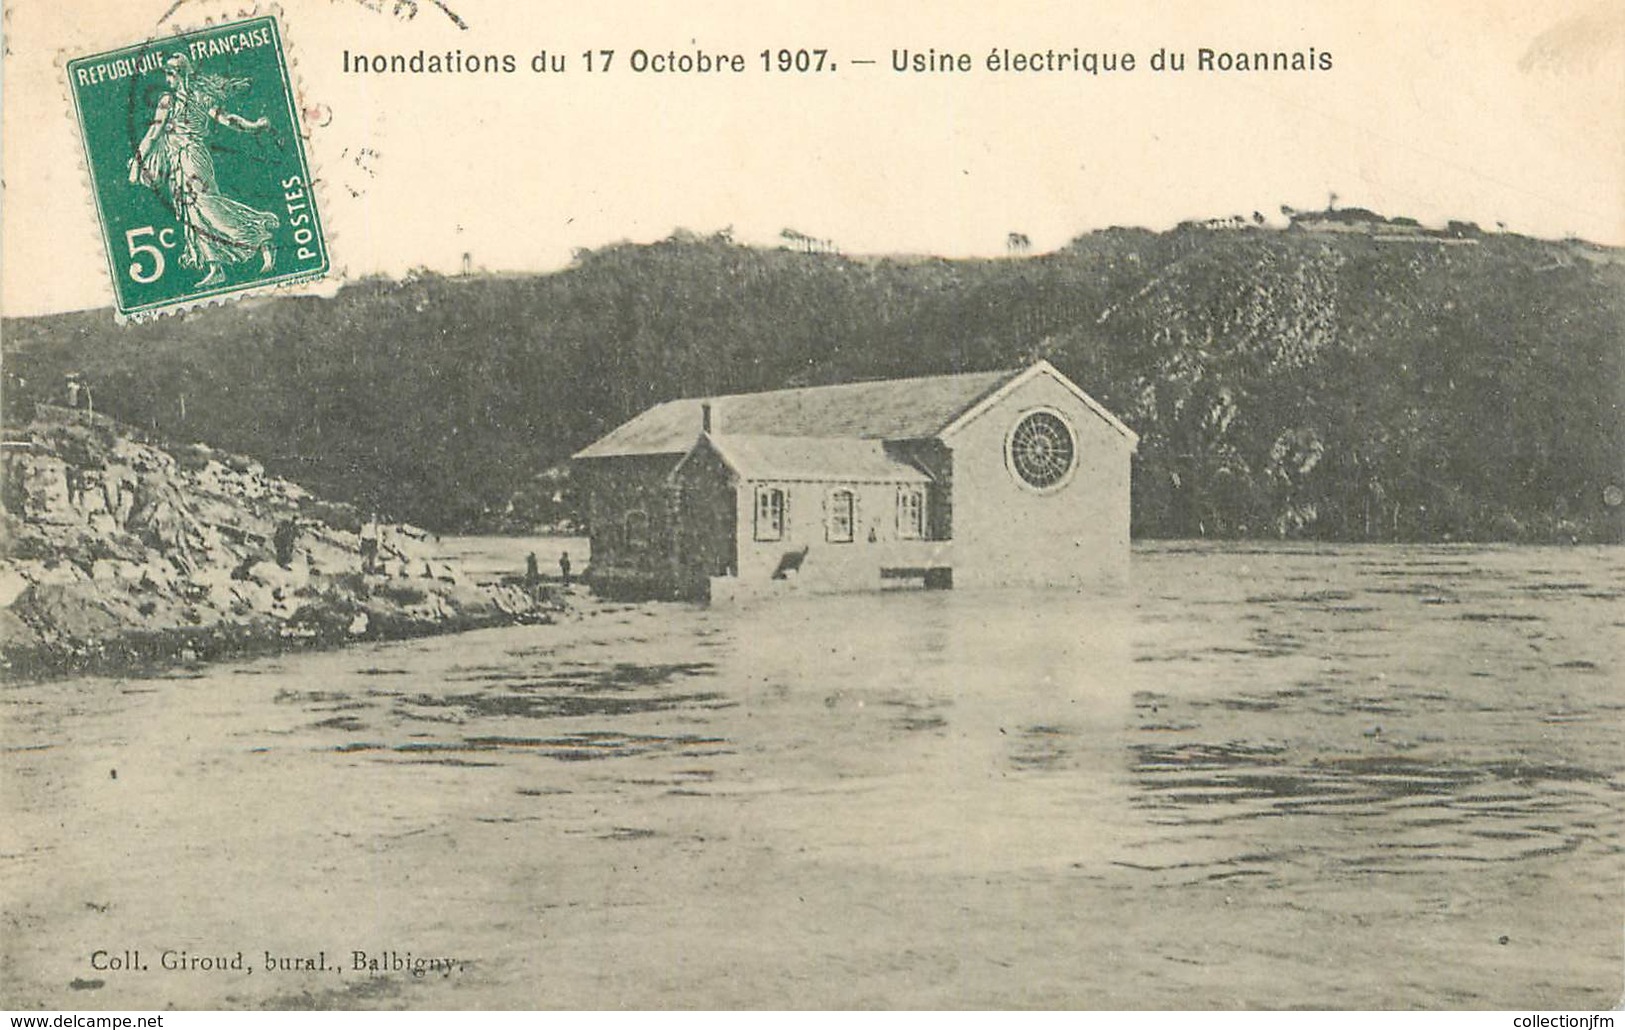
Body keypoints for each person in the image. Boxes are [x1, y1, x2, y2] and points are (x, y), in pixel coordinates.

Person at [127, 53, 279, 287]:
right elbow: (154, 133)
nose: (168, 80)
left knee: (206, 206)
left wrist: (253, 127)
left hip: (193, 157)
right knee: (192, 213)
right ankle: (215, 267)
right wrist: (139, 159)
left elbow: (226, 119)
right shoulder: (173, 100)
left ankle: (258, 235)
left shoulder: (193, 98)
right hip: (177, 160)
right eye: (167, 74)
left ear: (181, 74)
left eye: (171, 74)